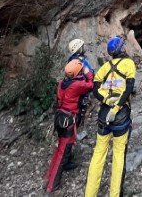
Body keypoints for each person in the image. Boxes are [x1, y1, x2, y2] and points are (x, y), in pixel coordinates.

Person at [84, 37, 137, 197]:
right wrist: (117, 106)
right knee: (118, 154)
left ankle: (89, 194)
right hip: (120, 115)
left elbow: (95, 87)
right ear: (122, 49)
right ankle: (114, 194)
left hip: (103, 115)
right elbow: (129, 88)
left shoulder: (105, 67)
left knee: (98, 153)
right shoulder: (129, 64)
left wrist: (106, 100)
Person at [45, 60, 94, 193]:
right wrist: (87, 73)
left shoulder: (62, 83)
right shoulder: (77, 85)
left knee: (59, 149)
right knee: (62, 153)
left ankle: (48, 179)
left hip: (60, 117)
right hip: (68, 120)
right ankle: (52, 185)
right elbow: (91, 85)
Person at [66, 38, 94, 129]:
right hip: (82, 87)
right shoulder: (82, 61)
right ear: (79, 49)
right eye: (82, 47)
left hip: (73, 87)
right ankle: (78, 126)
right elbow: (90, 73)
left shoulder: (71, 60)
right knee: (81, 109)